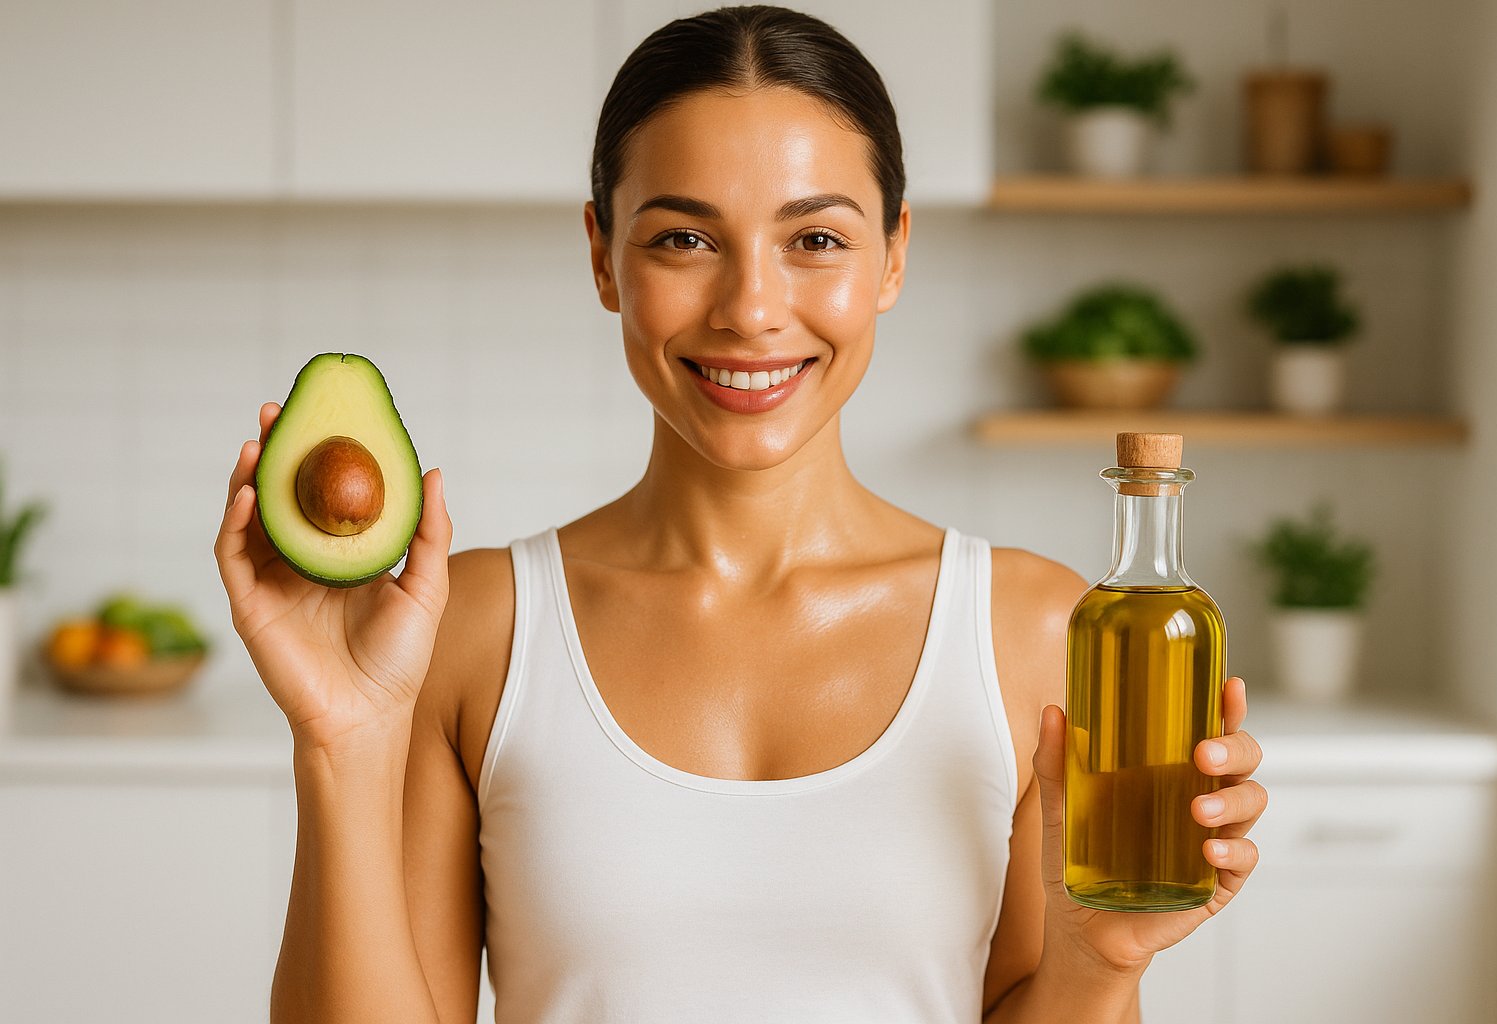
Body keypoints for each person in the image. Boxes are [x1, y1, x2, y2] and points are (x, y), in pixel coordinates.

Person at [214, 6, 1266, 1023]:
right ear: (602, 254)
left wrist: (1097, 965)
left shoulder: (1032, 630)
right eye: (683, 238)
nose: (752, 310)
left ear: (894, 253)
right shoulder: (471, 629)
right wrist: (343, 740)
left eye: (815, 238)